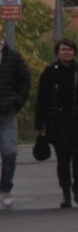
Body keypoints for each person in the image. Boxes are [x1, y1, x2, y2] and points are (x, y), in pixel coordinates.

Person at [34, 38, 78, 208]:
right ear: (57, 52)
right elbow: (41, 99)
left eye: (70, 49)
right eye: (63, 49)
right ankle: (65, 191)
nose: (66, 52)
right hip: (57, 122)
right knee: (63, 159)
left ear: (75, 52)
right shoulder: (50, 72)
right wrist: (39, 126)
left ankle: (77, 183)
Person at [0, 33, 32, 209]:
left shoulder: (14, 57)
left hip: (7, 113)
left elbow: (25, 79)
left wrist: (18, 100)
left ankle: (6, 188)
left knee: (10, 152)